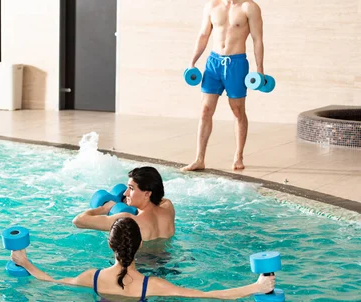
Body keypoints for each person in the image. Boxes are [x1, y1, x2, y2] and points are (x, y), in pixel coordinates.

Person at [11, 218, 274, 302]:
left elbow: (52, 280)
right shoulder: (153, 285)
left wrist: (24, 261)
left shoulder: (92, 277)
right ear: (139, 246)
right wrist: (257, 286)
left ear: (109, 245)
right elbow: (208, 296)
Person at [182, 0, 264, 172]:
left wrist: (260, 69)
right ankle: (199, 159)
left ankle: (238, 156)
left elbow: (257, 39)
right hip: (213, 63)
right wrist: (192, 62)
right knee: (205, 110)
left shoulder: (249, 7)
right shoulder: (212, 6)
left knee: (237, 110)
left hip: (237, 64)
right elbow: (203, 35)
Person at [73, 166, 175, 241]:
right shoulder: (168, 207)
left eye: (131, 188)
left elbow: (78, 221)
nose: (125, 193)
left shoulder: (128, 220)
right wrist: (135, 199)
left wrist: (103, 209)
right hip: (167, 262)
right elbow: (158, 199)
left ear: (147, 193)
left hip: (140, 266)